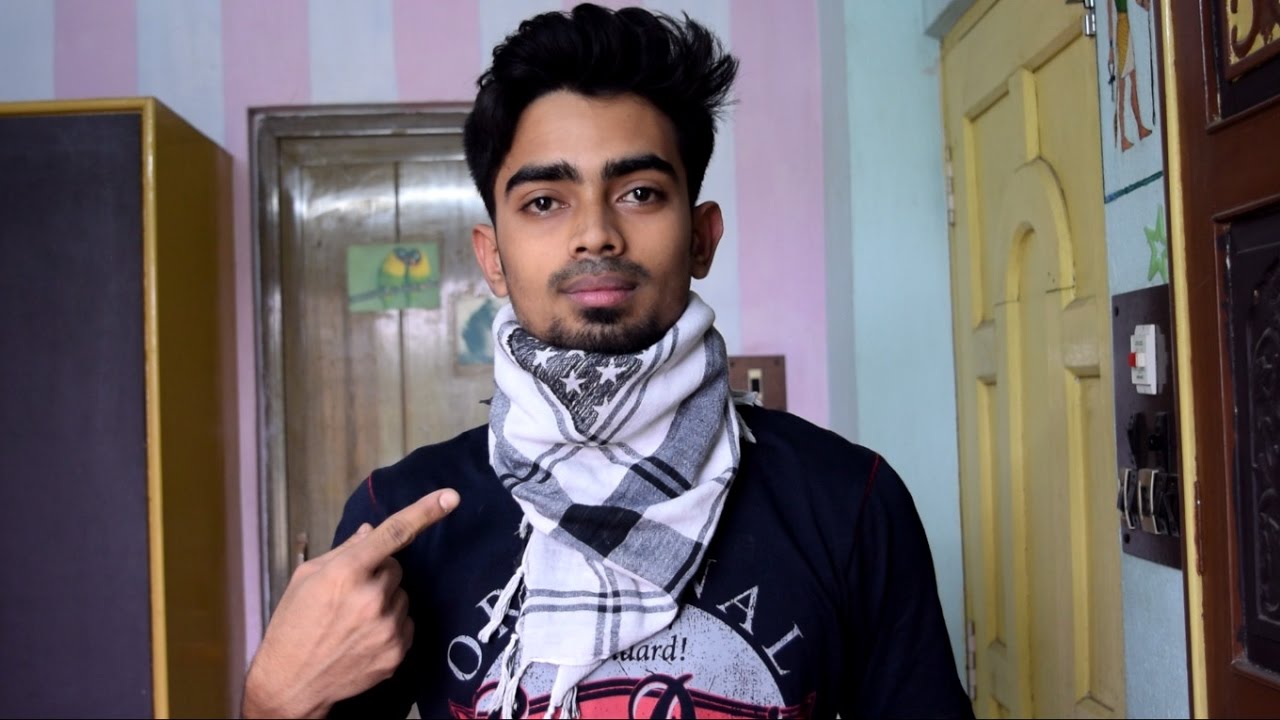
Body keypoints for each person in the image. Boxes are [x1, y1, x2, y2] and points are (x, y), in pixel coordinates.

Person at [242, 4, 972, 718]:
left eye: (640, 193)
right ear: (492, 258)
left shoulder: (847, 501)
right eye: (544, 202)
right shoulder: (402, 516)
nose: (595, 232)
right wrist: (275, 699)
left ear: (701, 238)